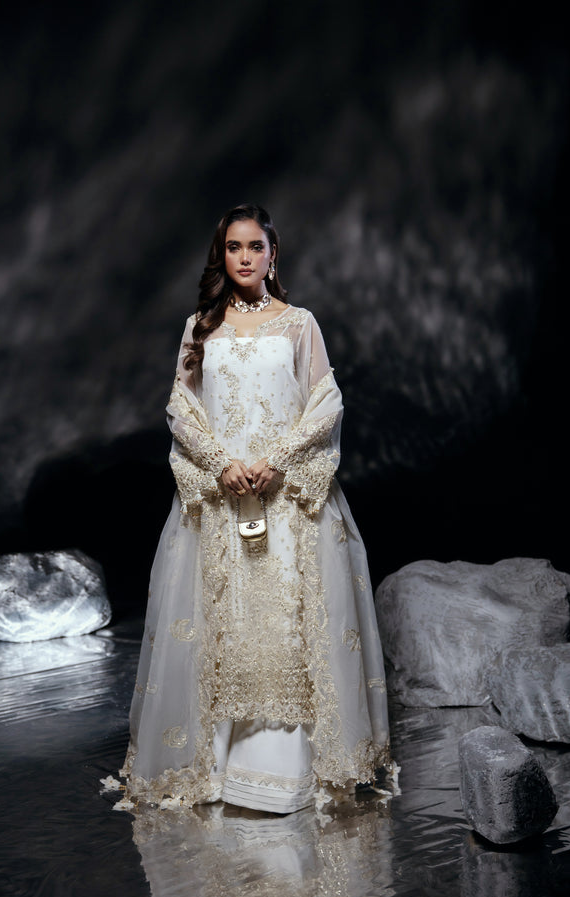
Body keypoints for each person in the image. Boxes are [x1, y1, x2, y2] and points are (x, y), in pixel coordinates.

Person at [120, 203, 395, 814]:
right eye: (233, 247)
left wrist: (278, 461)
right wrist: (221, 463)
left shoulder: (299, 324)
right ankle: (216, 769)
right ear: (221, 256)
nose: (244, 257)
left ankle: (291, 773)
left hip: (286, 497)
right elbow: (181, 408)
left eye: (255, 247)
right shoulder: (200, 327)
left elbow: (326, 402)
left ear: (274, 255)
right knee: (221, 627)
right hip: (224, 498)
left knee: (292, 624)